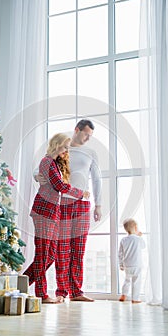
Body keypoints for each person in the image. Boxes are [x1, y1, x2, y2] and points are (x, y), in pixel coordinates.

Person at [36, 119, 102, 302]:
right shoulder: (62, 148)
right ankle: (62, 291)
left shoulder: (90, 153)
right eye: (86, 134)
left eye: (90, 136)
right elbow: (41, 167)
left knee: (79, 249)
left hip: (83, 205)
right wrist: (37, 176)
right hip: (62, 204)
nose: (88, 138)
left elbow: (97, 180)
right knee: (62, 249)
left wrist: (99, 205)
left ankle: (76, 291)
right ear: (77, 130)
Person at [23, 133, 90, 304]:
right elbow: (59, 186)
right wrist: (80, 193)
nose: (67, 150)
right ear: (57, 144)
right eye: (65, 147)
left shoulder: (54, 163)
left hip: (53, 212)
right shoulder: (47, 162)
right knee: (43, 254)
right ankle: (42, 295)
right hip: (43, 211)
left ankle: (21, 284)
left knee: (50, 255)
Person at [118, 218, 146, 303]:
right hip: (137, 265)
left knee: (127, 280)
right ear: (136, 228)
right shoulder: (138, 239)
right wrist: (140, 236)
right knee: (136, 282)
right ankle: (135, 298)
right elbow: (143, 246)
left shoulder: (123, 240)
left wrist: (121, 265)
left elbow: (120, 254)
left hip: (127, 265)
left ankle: (123, 294)